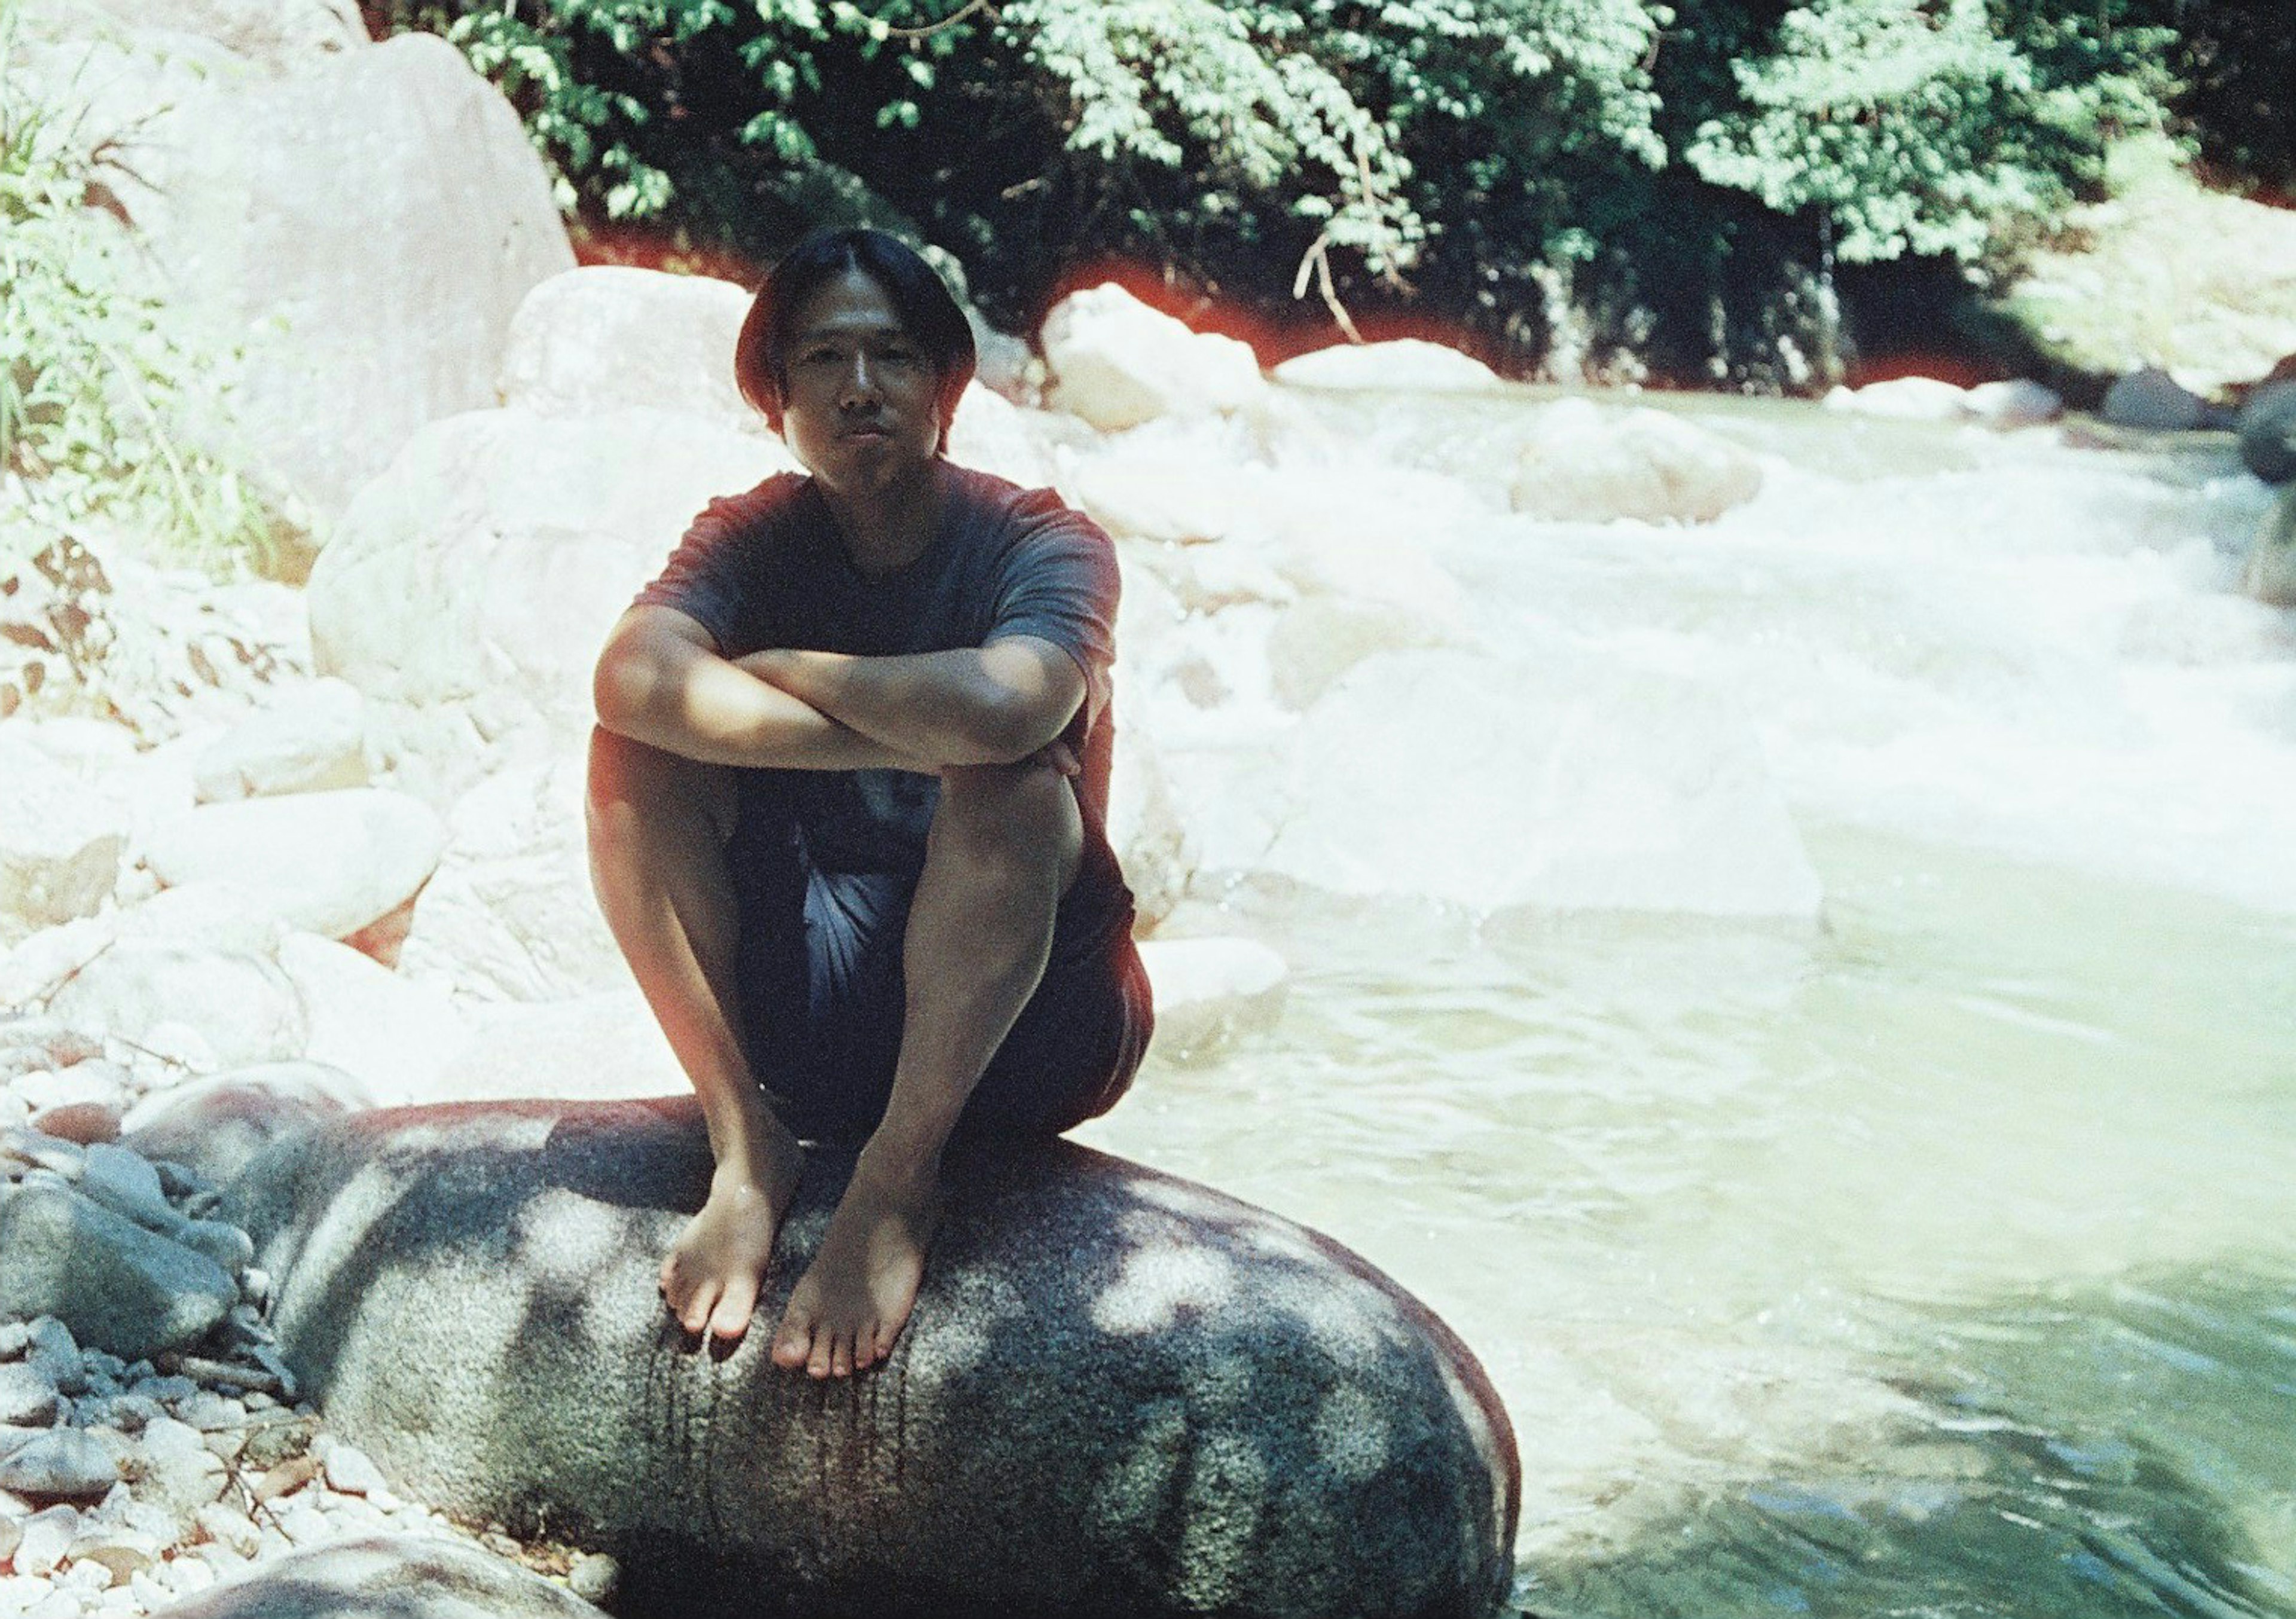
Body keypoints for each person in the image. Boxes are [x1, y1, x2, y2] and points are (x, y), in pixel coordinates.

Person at [587, 228, 1152, 1381]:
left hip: (1030, 1028)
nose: (858, 389)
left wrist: (780, 669)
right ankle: (748, 1153)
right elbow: (630, 679)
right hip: (819, 1014)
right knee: (625, 759)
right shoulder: (749, 534)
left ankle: (897, 1184)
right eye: (822, 360)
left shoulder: (1045, 541)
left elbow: (1012, 709)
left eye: (892, 356)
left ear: (947, 385)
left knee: (1009, 791)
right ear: (776, 398)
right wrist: (898, 724)